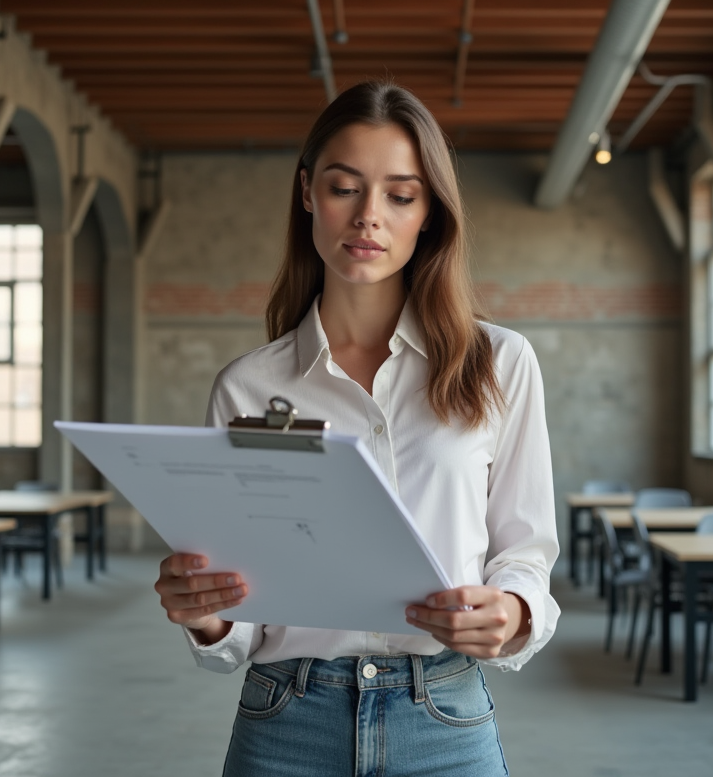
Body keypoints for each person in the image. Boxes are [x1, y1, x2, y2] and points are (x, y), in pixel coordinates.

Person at [153, 80, 559, 776]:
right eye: (345, 188)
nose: (369, 216)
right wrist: (207, 613)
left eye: (401, 195)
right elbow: (242, 614)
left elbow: (527, 549)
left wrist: (515, 612)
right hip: (286, 722)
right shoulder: (249, 387)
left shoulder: (500, 363)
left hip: (445, 716)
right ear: (308, 192)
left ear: (429, 212)